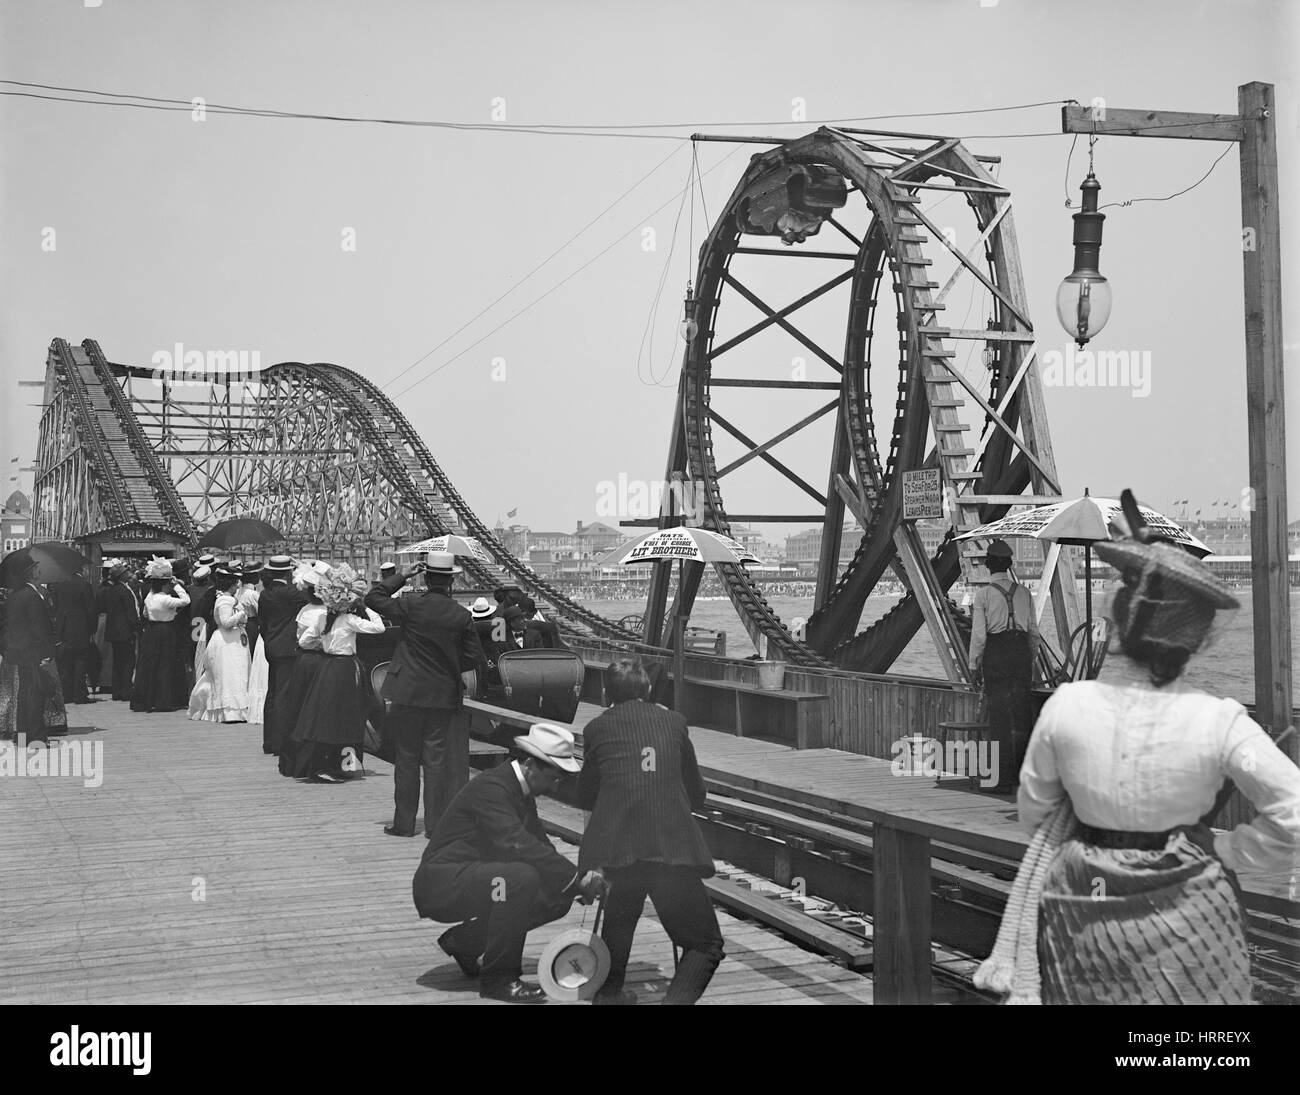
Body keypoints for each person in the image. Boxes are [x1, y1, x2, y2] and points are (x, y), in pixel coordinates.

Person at [976, 491, 1300, 1005]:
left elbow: (1035, 812)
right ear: (1199, 639)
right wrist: (1230, 850)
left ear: (1121, 621)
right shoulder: (1220, 721)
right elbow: (1294, 813)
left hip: (1084, 911)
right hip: (1194, 917)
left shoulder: (1069, 707)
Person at [413, 723, 605, 1003]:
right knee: (519, 879)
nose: (555, 786)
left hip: (475, 879)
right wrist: (576, 877)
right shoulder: (493, 788)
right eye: (553, 778)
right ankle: (498, 979)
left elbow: (540, 844)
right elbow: (516, 843)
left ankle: (465, 943)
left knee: (556, 896)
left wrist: (575, 883)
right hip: (441, 884)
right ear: (530, 764)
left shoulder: (517, 788)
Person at [576, 657, 724, 1005]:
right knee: (705, 944)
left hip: (618, 848)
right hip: (670, 848)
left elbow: (584, 794)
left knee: (619, 925)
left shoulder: (597, 728)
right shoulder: (674, 722)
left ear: (605, 693)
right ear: (647, 690)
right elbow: (697, 792)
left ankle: (607, 998)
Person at [366, 551, 488, 837]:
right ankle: (435, 825)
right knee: (436, 763)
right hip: (442, 696)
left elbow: (373, 598)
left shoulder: (411, 605)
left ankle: (404, 824)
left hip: (407, 693)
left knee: (406, 758)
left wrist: (403, 575)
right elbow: (474, 658)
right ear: (450, 583)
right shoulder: (460, 615)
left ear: (426, 577)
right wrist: (450, 662)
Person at [287, 564, 386, 782]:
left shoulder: (322, 619)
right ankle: (338, 764)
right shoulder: (349, 620)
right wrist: (365, 606)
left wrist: (322, 645)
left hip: (326, 668)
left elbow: (304, 641)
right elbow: (379, 628)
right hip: (346, 669)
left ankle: (321, 764)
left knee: (323, 716)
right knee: (344, 716)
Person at [968, 538, 1039, 792]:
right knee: (1021, 716)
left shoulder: (983, 595)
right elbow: (1033, 632)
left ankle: (999, 779)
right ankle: (1022, 778)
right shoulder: (1025, 593)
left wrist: (974, 666)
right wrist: (1030, 660)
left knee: (999, 717)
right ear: (1009, 565)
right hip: (1020, 654)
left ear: (989, 566)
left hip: (996, 655)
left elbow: (979, 637)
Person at [0, 556, 66, 742]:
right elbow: (39, 628)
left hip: (19, 651)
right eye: (36, 568)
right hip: (33, 651)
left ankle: (22, 736)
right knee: (35, 694)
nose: (39, 570)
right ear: (30, 572)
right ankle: (36, 735)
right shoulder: (32, 596)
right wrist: (45, 654)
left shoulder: (15, 596)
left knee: (24, 693)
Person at [278, 562, 330, 776]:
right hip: (325, 661)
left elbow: (300, 637)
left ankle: (294, 760)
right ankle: (320, 761)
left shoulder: (304, 611)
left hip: (304, 662)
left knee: (298, 707)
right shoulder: (329, 612)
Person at [258, 555, 308, 756]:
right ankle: (281, 742)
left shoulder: (265, 594)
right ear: (288, 572)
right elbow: (314, 594)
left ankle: (269, 740)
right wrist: (302, 571)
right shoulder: (291, 593)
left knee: (273, 693)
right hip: (288, 647)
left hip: (272, 646)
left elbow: (263, 623)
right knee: (284, 696)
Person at [188, 564, 251, 723]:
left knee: (237, 673)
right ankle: (227, 710)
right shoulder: (224, 600)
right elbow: (225, 622)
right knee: (227, 674)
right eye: (236, 582)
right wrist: (242, 614)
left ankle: (238, 709)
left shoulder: (229, 599)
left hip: (235, 640)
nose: (238, 586)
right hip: (226, 641)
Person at [130, 558, 191, 713]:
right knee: (165, 665)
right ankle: (163, 700)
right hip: (166, 630)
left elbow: (144, 613)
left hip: (151, 630)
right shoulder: (165, 599)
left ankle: (143, 699)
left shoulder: (150, 597)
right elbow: (186, 600)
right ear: (165, 583)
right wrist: (177, 585)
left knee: (148, 665)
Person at [50, 565, 98, 705]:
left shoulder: (58, 585)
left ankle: (67, 693)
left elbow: (55, 607)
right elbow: (91, 609)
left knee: (66, 661)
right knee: (80, 660)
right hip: (80, 627)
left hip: (63, 627)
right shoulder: (84, 585)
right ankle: (80, 693)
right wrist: (92, 628)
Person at [102, 559, 141, 701]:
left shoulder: (111, 590)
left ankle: (116, 690)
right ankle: (126, 690)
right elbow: (130, 612)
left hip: (113, 631)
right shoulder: (124, 590)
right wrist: (136, 627)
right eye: (125, 573)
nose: (128, 574)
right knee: (127, 661)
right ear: (121, 576)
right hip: (125, 631)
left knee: (117, 662)